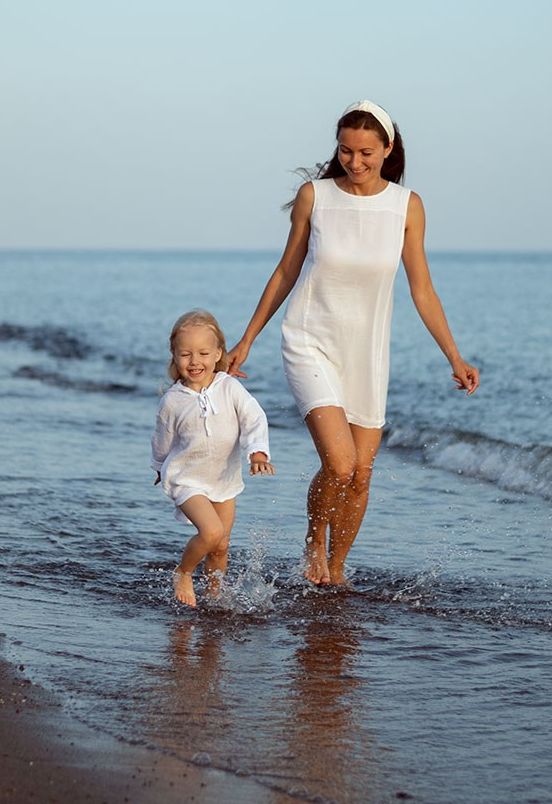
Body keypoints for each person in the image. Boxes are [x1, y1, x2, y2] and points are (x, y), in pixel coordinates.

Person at [224, 100, 479, 587]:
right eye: (345, 151)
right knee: (339, 464)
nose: (355, 162)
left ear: (387, 149)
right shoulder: (314, 196)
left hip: (368, 353)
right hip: (309, 340)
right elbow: (286, 269)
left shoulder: (407, 206)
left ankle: (336, 572)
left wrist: (454, 355)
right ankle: (312, 542)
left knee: (361, 474)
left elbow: (421, 288)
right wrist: (247, 339)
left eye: (366, 152)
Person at [152, 308, 275, 606]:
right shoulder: (172, 401)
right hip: (187, 480)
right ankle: (183, 572)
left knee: (220, 546)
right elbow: (161, 440)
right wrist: (158, 467)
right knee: (211, 532)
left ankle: (214, 598)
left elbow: (253, 418)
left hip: (223, 479)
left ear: (219, 353)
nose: (195, 362)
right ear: (174, 355)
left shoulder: (229, 387)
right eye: (186, 354)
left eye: (204, 353)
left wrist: (257, 450)